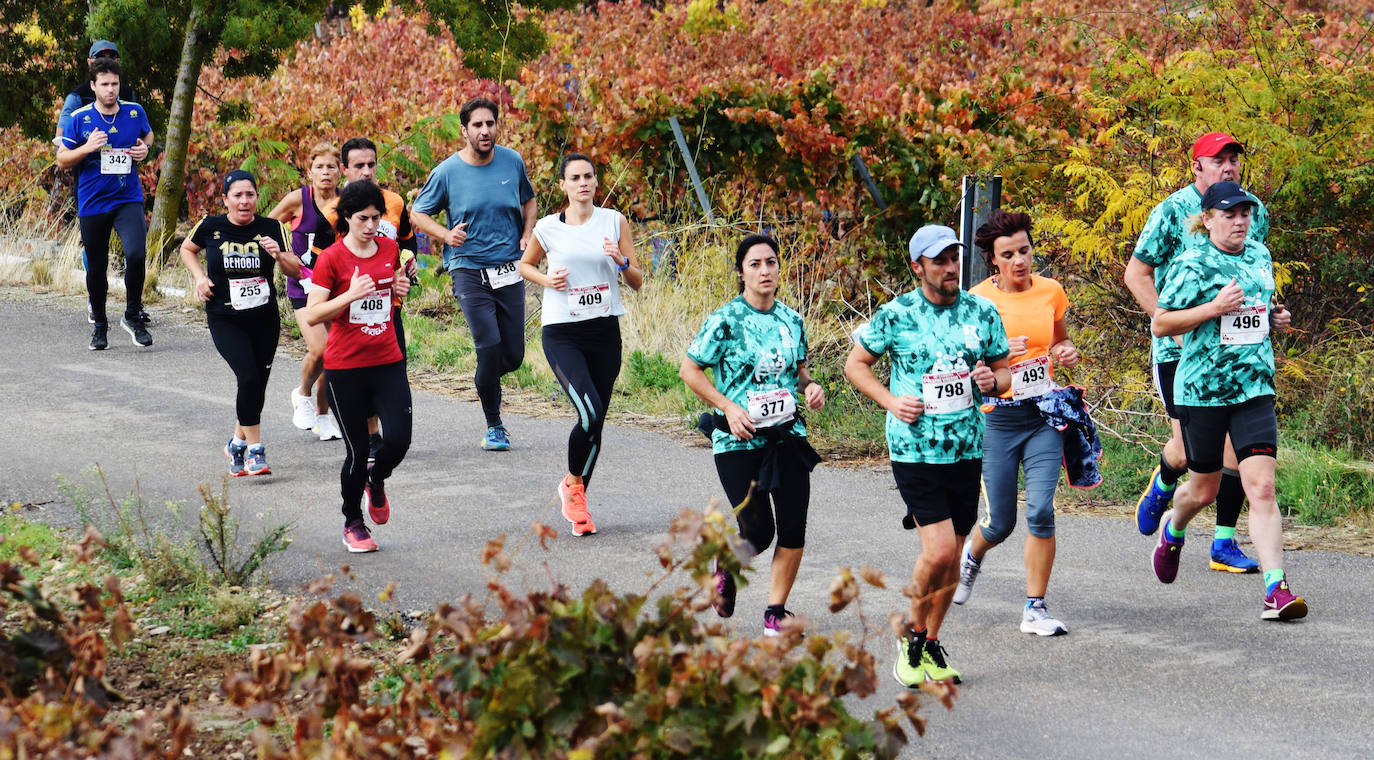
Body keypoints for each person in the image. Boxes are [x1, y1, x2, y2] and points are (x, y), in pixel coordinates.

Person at [844, 225, 1010, 685]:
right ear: (918, 267)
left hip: (966, 447)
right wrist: (892, 402)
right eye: (939, 260)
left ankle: (931, 643)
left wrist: (991, 383)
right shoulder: (895, 315)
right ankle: (909, 638)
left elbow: (1003, 372)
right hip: (915, 448)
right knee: (937, 551)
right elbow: (855, 364)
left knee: (953, 557)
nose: (950, 267)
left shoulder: (982, 311)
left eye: (953, 258)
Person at [1151, 181, 1303, 620]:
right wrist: (1213, 308)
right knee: (1204, 489)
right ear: (1208, 218)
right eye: (1230, 213)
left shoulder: (1259, 254)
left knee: (1262, 486)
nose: (1240, 221)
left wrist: (1276, 318)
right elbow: (1162, 323)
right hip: (1202, 391)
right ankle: (1173, 529)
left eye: (1245, 213)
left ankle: (1276, 590)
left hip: (1254, 386)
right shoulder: (1191, 262)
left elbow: (1259, 308)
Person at [1126, 132, 1270, 573]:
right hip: (1179, 349)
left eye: (1234, 160)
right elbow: (1137, 274)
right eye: (1218, 160)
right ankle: (1165, 480)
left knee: (1238, 452)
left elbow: (1254, 271)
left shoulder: (1251, 212)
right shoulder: (1172, 210)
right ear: (1197, 167)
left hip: (1235, 354)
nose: (1228, 167)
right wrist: (1175, 332)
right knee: (1189, 452)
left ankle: (1223, 543)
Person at [680, 233, 825, 636]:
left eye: (771, 263)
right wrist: (728, 406)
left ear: (779, 268)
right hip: (738, 440)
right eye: (755, 264)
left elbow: (799, 373)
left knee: (794, 527)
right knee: (759, 531)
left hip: (786, 437)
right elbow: (690, 370)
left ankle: (775, 612)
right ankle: (727, 563)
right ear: (741, 272)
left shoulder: (792, 320)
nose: (765, 271)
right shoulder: (725, 320)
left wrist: (811, 387)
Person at [953, 210, 1080, 636]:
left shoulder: (1051, 290)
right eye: (1008, 254)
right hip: (997, 421)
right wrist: (996, 351)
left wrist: (1066, 352)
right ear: (992, 259)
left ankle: (1035, 608)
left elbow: (1060, 338)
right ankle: (972, 555)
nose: (1020, 260)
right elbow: (959, 364)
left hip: (1043, 414)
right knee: (1000, 522)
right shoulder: (975, 301)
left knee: (1042, 511)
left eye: (1024, 250)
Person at [519, 153, 643, 536]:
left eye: (589, 176)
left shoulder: (614, 221)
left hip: (604, 332)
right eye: (575, 177)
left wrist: (621, 261)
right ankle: (573, 484)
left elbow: (638, 281)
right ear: (563, 185)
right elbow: (524, 265)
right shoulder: (546, 227)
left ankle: (578, 500)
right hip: (563, 333)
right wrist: (546, 280)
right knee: (588, 414)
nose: (583, 183)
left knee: (597, 420)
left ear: (595, 181)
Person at [411, 97, 536, 451]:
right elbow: (418, 214)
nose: (485, 131)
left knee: (512, 356)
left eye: (490, 124)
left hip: (509, 267)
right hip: (468, 269)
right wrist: (446, 235)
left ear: (497, 126)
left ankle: (484, 379)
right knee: (489, 345)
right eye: (477, 125)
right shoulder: (448, 171)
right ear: (464, 130)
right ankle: (494, 425)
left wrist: (528, 233)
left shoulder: (512, 161)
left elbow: (529, 201)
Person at [299, 181, 412, 553]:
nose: (371, 225)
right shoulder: (331, 257)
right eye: (363, 218)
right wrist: (350, 295)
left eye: (377, 218)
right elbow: (314, 312)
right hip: (346, 368)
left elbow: (390, 292)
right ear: (346, 218)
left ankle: (375, 481)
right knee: (357, 450)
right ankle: (352, 521)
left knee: (398, 440)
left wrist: (399, 288)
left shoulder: (390, 248)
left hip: (387, 359)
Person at [178, 170, 302, 476]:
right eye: (237, 195)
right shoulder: (211, 226)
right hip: (225, 317)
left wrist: (278, 255)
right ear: (225, 199)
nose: (244, 201)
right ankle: (255, 451)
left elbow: (296, 269)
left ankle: (235, 442)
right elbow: (187, 249)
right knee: (247, 377)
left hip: (264, 318)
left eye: (250, 195)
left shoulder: (272, 227)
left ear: (257, 198)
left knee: (256, 384)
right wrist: (200, 278)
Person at [55, 57, 154, 350]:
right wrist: (87, 147)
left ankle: (132, 316)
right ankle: (100, 325)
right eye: (105, 85)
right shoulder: (80, 118)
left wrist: (144, 149)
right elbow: (62, 160)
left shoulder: (134, 112)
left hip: (128, 197)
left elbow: (147, 134)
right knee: (96, 269)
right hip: (94, 201)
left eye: (115, 84)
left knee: (136, 254)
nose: (111, 90)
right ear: (94, 86)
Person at [338, 136, 420, 463]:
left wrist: (409, 263)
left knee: (394, 367)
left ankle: (390, 431)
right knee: (362, 373)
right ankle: (371, 435)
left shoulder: (395, 202)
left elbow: (408, 242)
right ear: (345, 168)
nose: (367, 171)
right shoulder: (335, 207)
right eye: (359, 165)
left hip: (388, 305)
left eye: (371, 164)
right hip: (349, 310)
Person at [268, 142, 342, 440]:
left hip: (337, 288)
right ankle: (303, 394)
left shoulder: (347, 202)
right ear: (309, 171)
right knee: (320, 349)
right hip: (304, 286)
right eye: (319, 167)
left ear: (341, 171)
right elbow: (267, 227)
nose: (325, 173)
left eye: (331, 167)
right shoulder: (298, 199)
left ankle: (323, 417)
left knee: (334, 355)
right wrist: (282, 254)